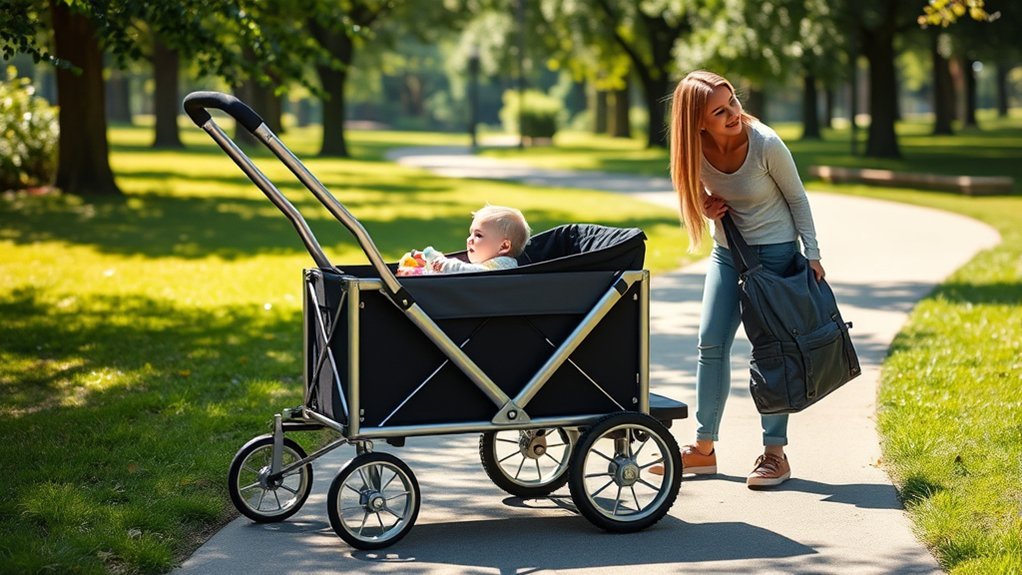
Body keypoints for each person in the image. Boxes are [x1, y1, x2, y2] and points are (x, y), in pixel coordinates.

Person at [667, 70, 826, 488]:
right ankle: (704, 450)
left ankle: (775, 454)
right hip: (728, 255)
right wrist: (704, 206)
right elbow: (693, 192)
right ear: (698, 121)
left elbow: (797, 197)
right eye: (720, 111)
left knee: (773, 350)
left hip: (776, 257)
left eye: (733, 101)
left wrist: (812, 254)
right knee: (711, 341)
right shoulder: (692, 148)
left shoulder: (765, 143)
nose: (733, 113)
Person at [397, 205, 531, 275]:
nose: (469, 240)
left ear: (504, 246)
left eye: (478, 235)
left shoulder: (503, 266)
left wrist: (443, 264)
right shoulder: (488, 264)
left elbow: (471, 274)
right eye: (470, 233)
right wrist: (428, 265)